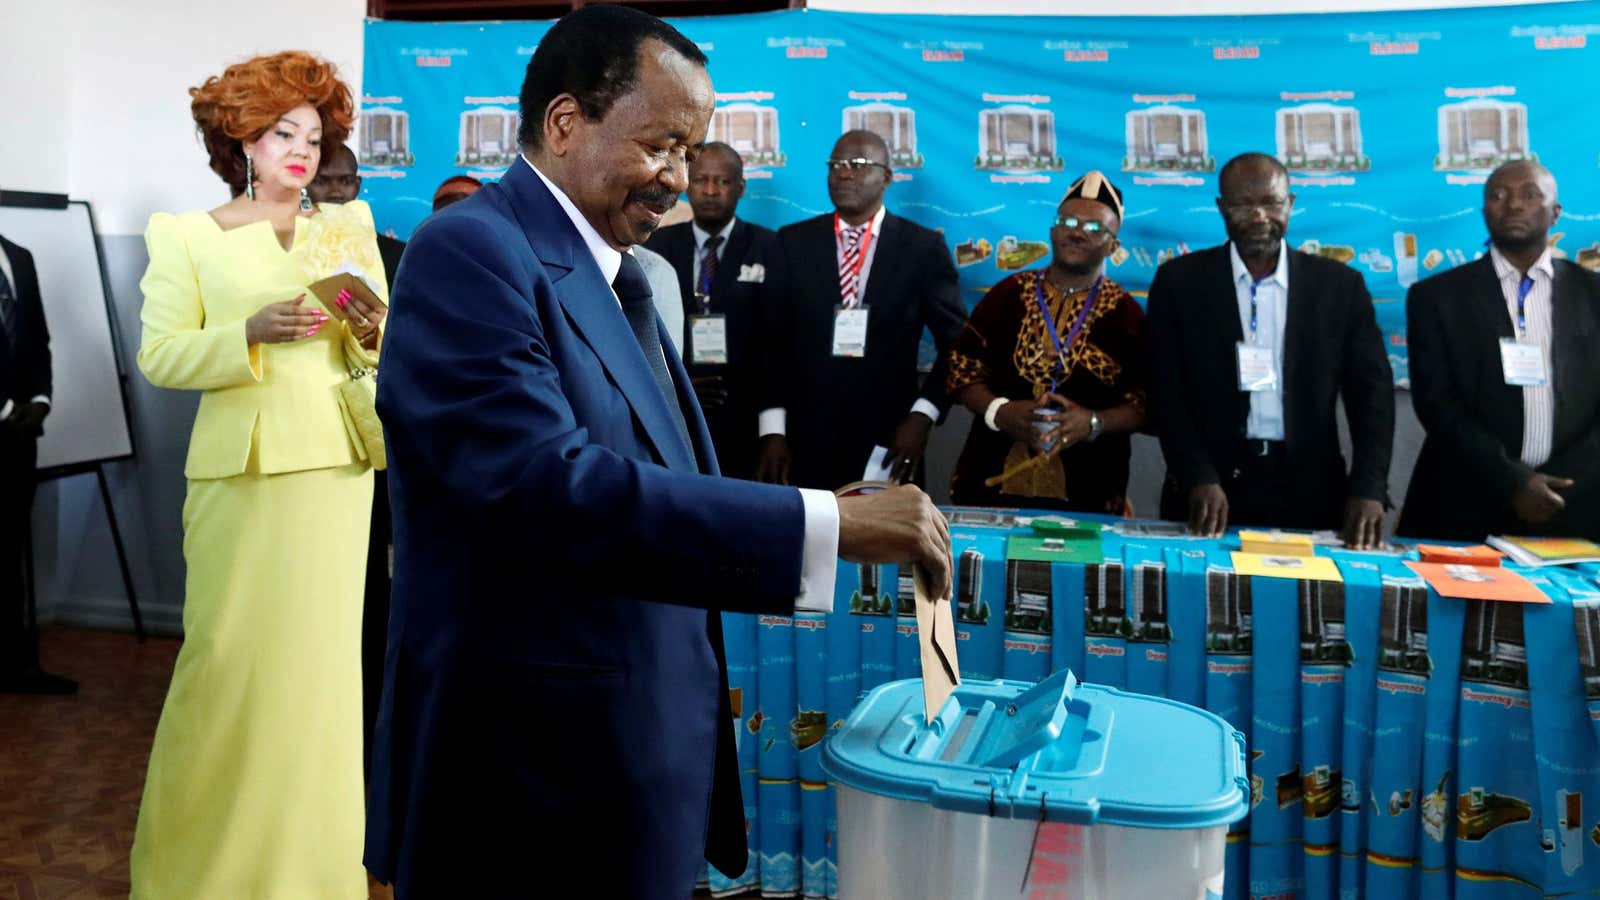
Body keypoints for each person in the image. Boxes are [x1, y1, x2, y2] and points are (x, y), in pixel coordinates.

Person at [364, 8, 952, 899]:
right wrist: (828, 526)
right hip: (529, 771)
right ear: (566, 124)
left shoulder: (618, 271)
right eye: (663, 147)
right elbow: (543, 490)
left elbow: (658, 480)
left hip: (629, 749)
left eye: (691, 151)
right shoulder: (471, 252)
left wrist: (818, 507)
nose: (677, 182)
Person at [131, 51, 387, 898]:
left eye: (315, 136)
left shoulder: (349, 229)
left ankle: (313, 878)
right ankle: (196, 877)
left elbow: (382, 345)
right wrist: (245, 333)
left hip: (336, 475)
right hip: (239, 480)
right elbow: (161, 355)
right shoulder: (185, 234)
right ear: (240, 135)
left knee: (320, 687)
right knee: (224, 669)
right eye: (284, 132)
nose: (302, 151)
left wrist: (362, 317)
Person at [1148, 152, 1393, 545]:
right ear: (1221, 208)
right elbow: (1166, 393)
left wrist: (1369, 487)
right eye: (1244, 204)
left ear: (1291, 204)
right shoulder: (1180, 284)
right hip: (1208, 494)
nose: (1259, 216)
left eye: (1271, 203)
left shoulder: (1339, 287)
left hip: (1312, 492)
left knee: (1309, 604)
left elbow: (1373, 397)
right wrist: (1197, 476)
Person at [1400, 160, 1600, 541]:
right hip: (1466, 500)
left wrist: (1560, 486)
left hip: (1576, 505)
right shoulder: (1436, 298)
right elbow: (1437, 406)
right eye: (1498, 195)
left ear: (1556, 213)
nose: (1513, 205)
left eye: (1530, 194)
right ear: (1483, 212)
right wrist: (1514, 481)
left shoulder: (1594, 295)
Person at [765, 129, 966, 490]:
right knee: (811, 543)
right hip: (805, 437)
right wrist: (773, 431)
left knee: (886, 542)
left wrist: (922, 416)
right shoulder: (792, 242)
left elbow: (957, 344)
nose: (844, 173)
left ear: (887, 177)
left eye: (858, 164)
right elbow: (770, 342)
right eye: (836, 165)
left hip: (890, 438)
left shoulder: (922, 247)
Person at [946, 172, 1149, 513]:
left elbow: (1145, 403)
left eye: (1095, 228)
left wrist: (1093, 422)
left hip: (1091, 489)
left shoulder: (1127, 315)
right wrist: (1000, 411)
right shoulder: (1007, 295)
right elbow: (961, 371)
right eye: (1068, 221)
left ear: (1114, 246)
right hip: (988, 482)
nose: (1077, 232)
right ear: (1053, 231)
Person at [644, 141, 786, 479]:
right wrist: (677, 385)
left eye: (721, 182)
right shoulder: (655, 246)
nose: (709, 191)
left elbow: (777, 344)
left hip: (746, 418)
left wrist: (773, 430)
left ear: (740, 188)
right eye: (700, 180)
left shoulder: (769, 246)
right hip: (677, 412)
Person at [0, 234, 74, 694]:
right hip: (7, 418)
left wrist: (41, 400)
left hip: (21, 431)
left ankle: (15, 665)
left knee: (10, 547)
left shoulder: (19, 256)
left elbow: (38, 337)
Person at [310, 141, 405, 279]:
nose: (335, 193)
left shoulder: (397, 255)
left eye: (346, 181)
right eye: (321, 182)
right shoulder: (292, 249)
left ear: (357, 185)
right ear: (305, 184)